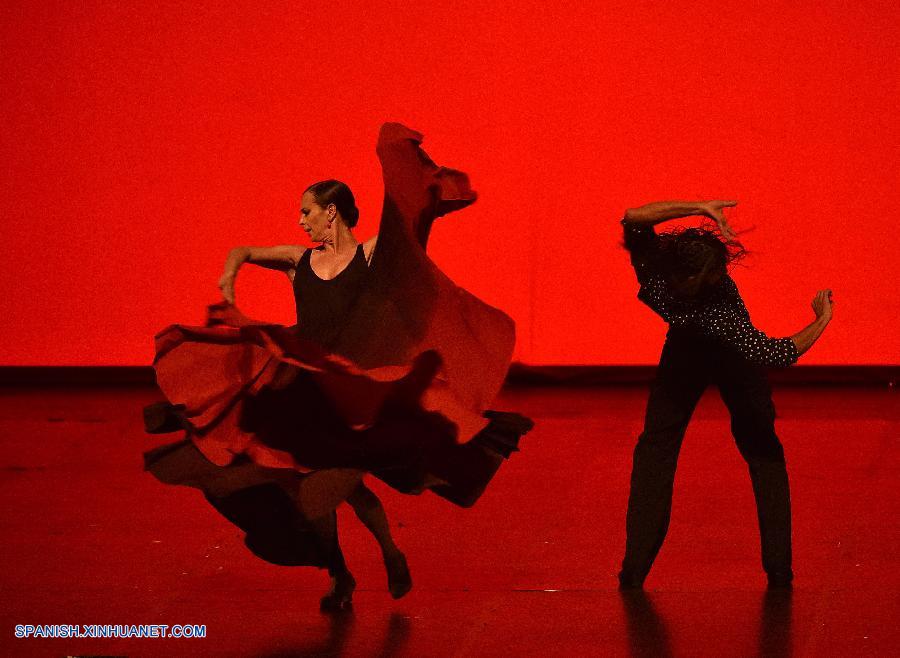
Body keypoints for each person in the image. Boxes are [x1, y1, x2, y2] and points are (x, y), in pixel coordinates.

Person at [143, 123, 533, 611]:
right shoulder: (296, 260)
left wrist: (409, 177)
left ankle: (385, 553)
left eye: (307, 212)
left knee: (345, 481)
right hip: (306, 384)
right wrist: (228, 278)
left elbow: (403, 241)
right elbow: (242, 250)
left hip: (351, 387)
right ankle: (344, 575)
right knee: (315, 486)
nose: (301, 222)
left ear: (330, 213)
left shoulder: (369, 254)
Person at [618, 200, 833, 590]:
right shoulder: (680, 286)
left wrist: (821, 320)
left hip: (725, 354)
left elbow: (777, 354)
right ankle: (633, 570)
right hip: (689, 346)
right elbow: (633, 217)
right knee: (657, 447)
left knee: (760, 448)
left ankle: (779, 569)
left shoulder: (686, 291)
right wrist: (822, 319)